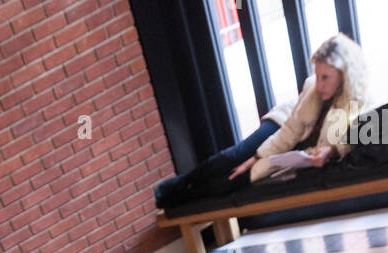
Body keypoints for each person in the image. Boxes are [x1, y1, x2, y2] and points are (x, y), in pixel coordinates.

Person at [155, 34, 370, 209]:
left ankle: (176, 201)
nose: (320, 84)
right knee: (236, 156)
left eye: (326, 78)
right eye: (318, 76)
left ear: (344, 75)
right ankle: (177, 185)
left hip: (300, 147)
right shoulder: (312, 86)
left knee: (233, 180)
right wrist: (255, 157)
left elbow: (349, 139)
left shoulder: (357, 102)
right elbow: (289, 131)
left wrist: (331, 151)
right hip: (283, 123)